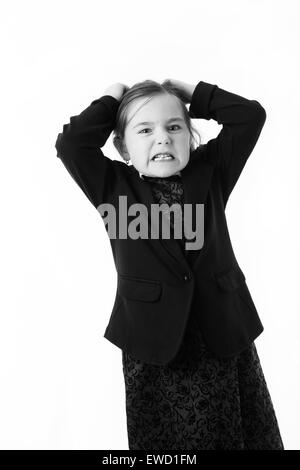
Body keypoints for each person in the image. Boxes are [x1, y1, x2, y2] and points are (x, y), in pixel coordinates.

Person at [55, 78, 284, 450]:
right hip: (154, 344)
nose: (162, 138)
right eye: (144, 130)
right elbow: (71, 145)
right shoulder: (112, 187)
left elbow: (249, 117)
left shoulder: (211, 174)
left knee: (234, 432)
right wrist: (114, 97)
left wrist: (190, 91)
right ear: (122, 147)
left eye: (174, 127)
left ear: (190, 139)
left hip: (220, 333)